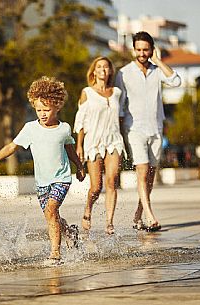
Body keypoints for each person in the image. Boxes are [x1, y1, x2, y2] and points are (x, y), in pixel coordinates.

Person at [0, 76, 86, 265]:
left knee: (51, 211)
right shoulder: (30, 128)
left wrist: (80, 167)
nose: (42, 114)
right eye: (38, 109)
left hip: (62, 178)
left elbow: (70, 150)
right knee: (53, 216)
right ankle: (69, 232)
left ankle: (55, 254)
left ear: (57, 106)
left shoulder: (64, 129)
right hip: (42, 182)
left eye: (46, 109)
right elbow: (12, 146)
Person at [116, 31, 181, 232]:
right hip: (133, 128)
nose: (142, 53)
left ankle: (138, 216)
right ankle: (151, 217)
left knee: (150, 176)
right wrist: (119, 132)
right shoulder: (123, 73)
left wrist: (158, 61)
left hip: (156, 128)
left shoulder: (157, 70)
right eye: (139, 49)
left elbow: (176, 81)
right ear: (133, 50)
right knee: (142, 172)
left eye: (146, 49)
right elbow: (119, 105)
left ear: (152, 50)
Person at [74, 56, 124, 235]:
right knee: (96, 187)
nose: (103, 70)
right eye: (99, 67)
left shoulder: (117, 92)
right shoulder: (87, 92)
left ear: (110, 71)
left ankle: (109, 222)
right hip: (93, 142)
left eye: (106, 67)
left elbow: (121, 117)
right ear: (94, 71)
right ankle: (88, 208)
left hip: (114, 140)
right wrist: (79, 146)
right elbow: (81, 121)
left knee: (112, 181)